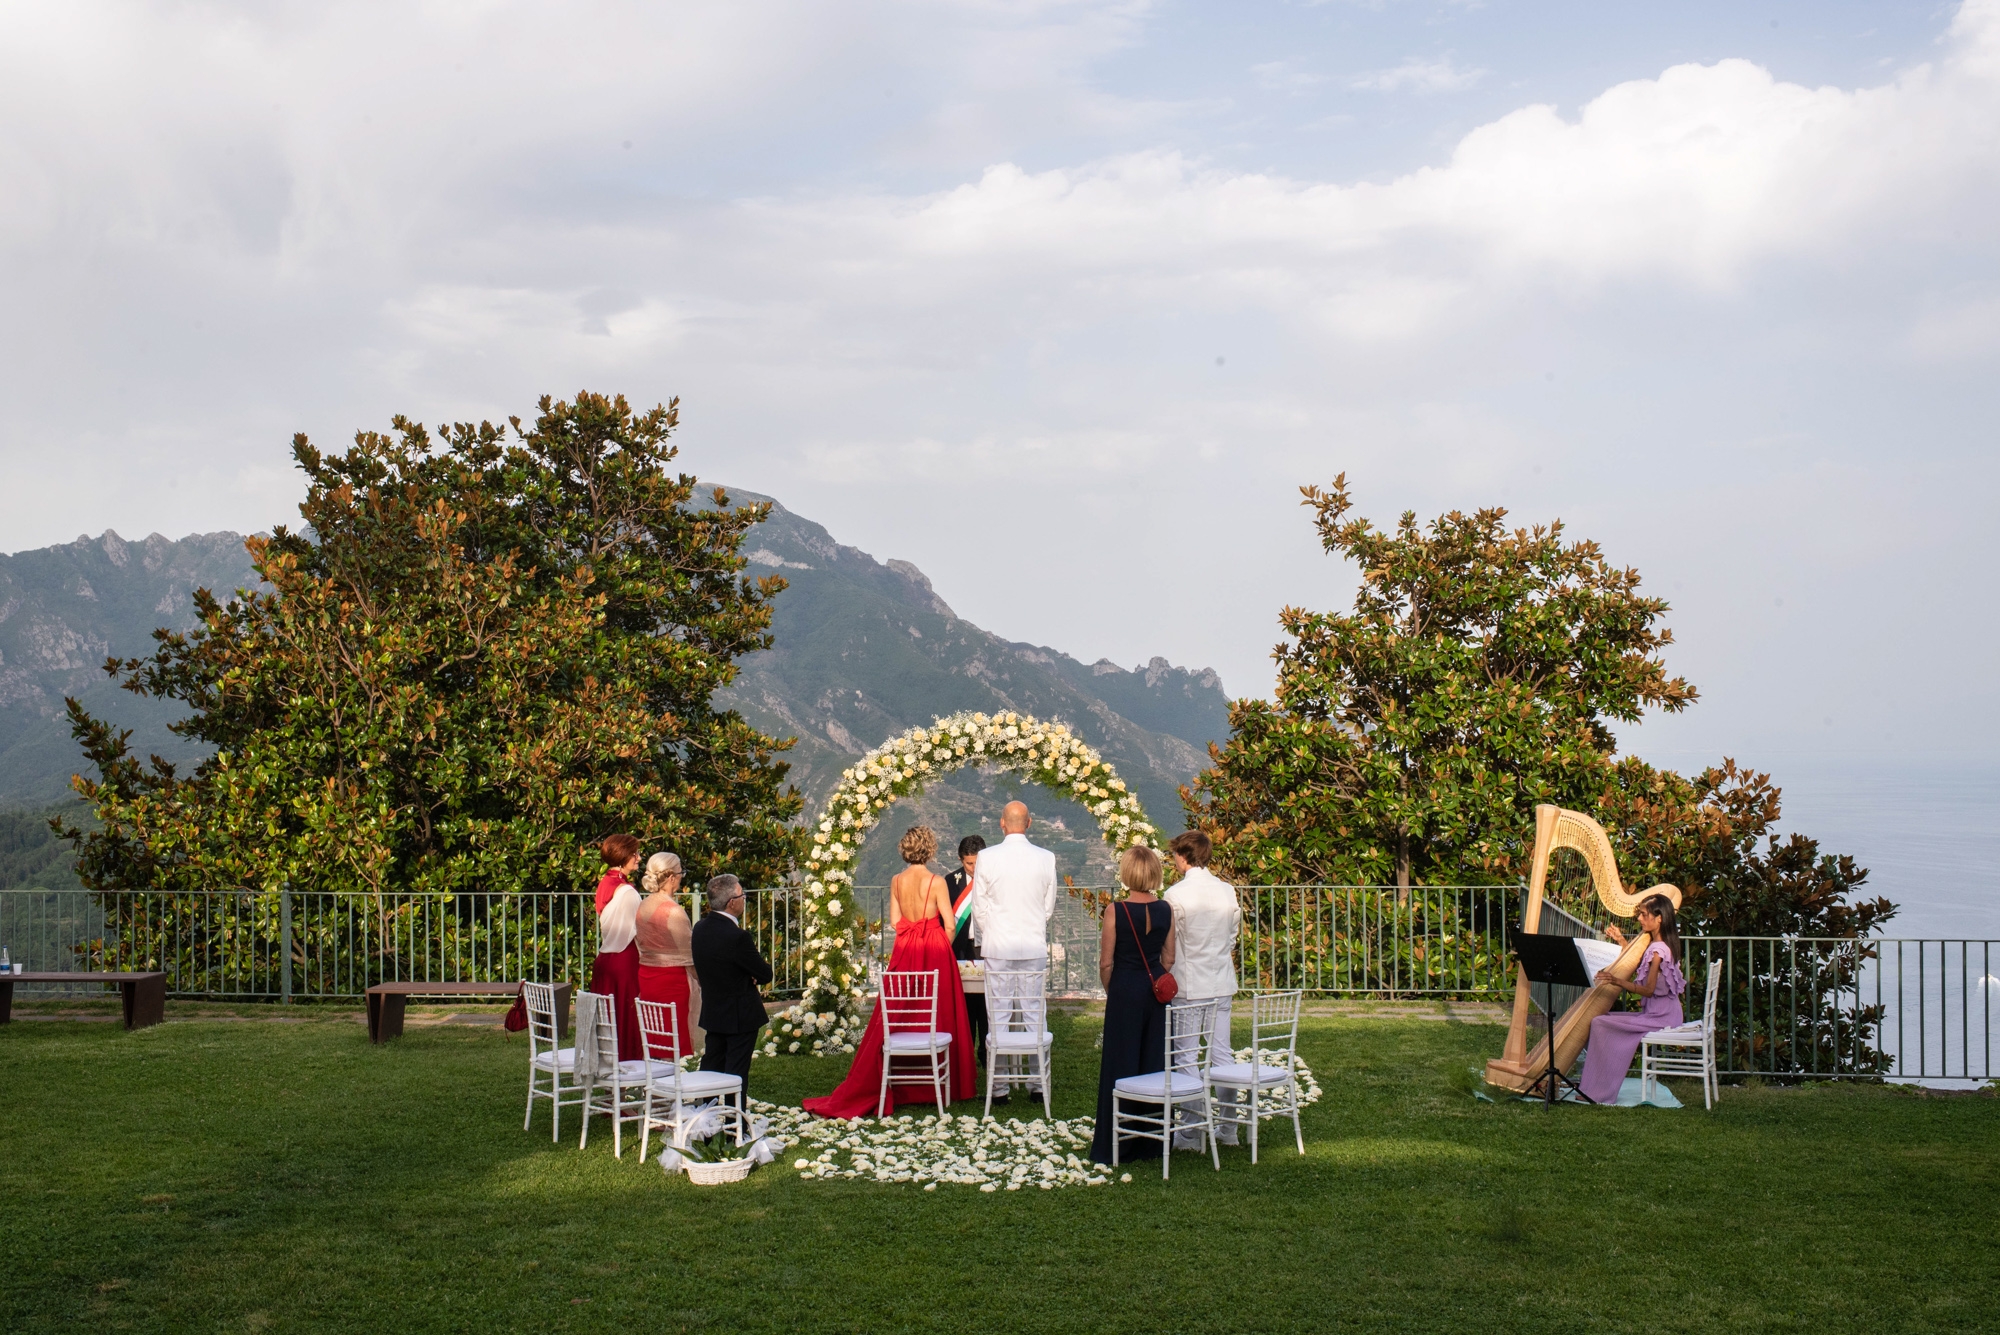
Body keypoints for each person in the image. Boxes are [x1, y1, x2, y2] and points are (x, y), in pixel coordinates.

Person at [804, 826, 977, 1118]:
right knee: (940, 1013)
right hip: (935, 951)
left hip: (905, 951)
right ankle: (944, 1083)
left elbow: (896, 922)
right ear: (930, 849)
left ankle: (901, 1082)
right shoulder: (936, 882)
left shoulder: (896, 880)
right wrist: (938, 947)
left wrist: (914, 940)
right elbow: (949, 924)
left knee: (900, 1013)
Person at [1091, 844, 1176, 1165]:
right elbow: (1169, 958)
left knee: (1121, 1063)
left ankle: (1118, 1143)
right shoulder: (1166, 909)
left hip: (1125, 989)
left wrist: (1115, 989)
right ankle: (1151, 1141)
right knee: (1153, 1061)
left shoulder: (1116, 911)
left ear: (1128, 873)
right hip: (1155, 991)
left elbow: (1106, 963)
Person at [971, 801, 1057, 1098]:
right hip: (1032, 946)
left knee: (999, 1016)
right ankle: (1037, 1084)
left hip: (997, 947)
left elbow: (979, 908)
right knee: (1035, 1014)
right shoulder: (1046, 858)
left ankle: (999, 1087)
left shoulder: (986, 857)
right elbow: (1047, 908)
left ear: (1002, 823)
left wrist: (994, 931)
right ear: (1029, 823)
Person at [1164, 830, 1242, 1148]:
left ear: (1183, 857)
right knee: (1222, 1055)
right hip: (1221, 980)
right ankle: (1229, 1128)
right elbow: (1232, 937)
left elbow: (1170, 941)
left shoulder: (1175, 894)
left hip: (1188, 982)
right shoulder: (1227, 891)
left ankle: (1192, 1130)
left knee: (1185, 1056)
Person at [1576, 893, 1688, 1105]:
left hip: (1662, 1017)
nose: (1639, 918)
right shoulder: (1659, 945)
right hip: (1660, 1012)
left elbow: (1647, 989)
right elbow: (1639, 966)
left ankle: (1599, 1090)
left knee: (1600, 1023)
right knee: (1602, 1017)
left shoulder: (1658, 951)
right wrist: (1620, 940)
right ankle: (1595, 1085)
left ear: (1659, 918)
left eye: (1644, 915)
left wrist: (1615, 980)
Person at [691, 874, 774, 1103]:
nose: (744, 899)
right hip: (740, 1014)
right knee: (736, 1072)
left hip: (713, 1011)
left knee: (711, 1065)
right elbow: (765, 974)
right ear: (732, 902)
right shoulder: (737, 936)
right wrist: (749, 974)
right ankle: (733, 1122)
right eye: (741, 895)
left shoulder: (699, 929)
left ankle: (704, 1115)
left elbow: (714, 966)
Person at [635, 851, 701, 1059]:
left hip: (646, 975)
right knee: (673, 1038)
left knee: (654, 1033)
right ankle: (672, 1085)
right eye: (681, 871)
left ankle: (656, 1084)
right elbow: (689, 955)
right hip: (672, 982)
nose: (682, 876)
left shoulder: (643, 905)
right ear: (672, 877)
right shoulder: (673, 912)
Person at [589, 833, 644, 1062]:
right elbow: (639, 929)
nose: (639, 858)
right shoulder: (627, 891)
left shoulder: (605, 883)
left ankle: (610, 1071)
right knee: (626, 1017)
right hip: (625, 957)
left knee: (608, 1017)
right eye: (635, 854)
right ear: (624, 856)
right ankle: (628, 1066)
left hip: (605, 958)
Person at [944, 833, 989, 1084]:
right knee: (965, 1006)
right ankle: (966, 1058)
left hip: (986, 949)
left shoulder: (993, 879)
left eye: (976, 863)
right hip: (960, 950)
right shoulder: (950, 882)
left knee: (985, 1006)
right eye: (968, 863)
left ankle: (986, 1052)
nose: (973, 868)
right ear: (961, 860)